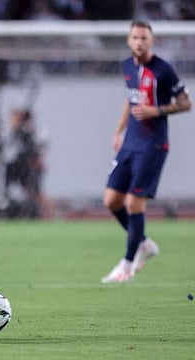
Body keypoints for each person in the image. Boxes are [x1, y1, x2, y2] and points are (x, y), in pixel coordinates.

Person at [101, 20, 191, 283]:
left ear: (151, 41)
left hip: (153, 145)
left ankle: (127, 265)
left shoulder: (164, 70)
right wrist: (118, 131)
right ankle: (143, 243)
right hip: (130, 142)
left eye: (144, 38)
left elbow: (186, 103)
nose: (139, 42)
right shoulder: (127, 66)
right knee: (111, 200)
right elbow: (130, 101)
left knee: (133, 203)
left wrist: (157, 111)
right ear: (129, 41)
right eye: (135, 38)